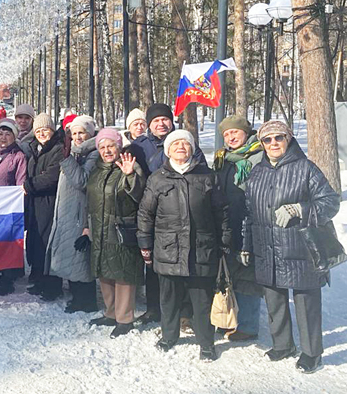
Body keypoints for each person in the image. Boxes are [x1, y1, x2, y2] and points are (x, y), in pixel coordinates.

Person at [242, 121, 339, 373]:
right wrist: (246, 245)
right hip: (266, 247)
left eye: (279, 138)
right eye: (267, 140)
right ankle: (283, 344)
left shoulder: (306, 168)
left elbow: (330, 202)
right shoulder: (257, 173)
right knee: (274, 299)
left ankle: (311, 352)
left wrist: (301, 209)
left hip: (301, 247)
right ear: (261, 144)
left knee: (306, 301)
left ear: (289, 139)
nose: (273, 143)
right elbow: (249, 213)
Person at [137, 129, 230, 361]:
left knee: (201, 300)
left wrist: (225, 242)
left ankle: (206, 343)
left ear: (192, 149)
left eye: (185, 144)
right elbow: (146, 214)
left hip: (201, 249)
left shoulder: (207, 176)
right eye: (175, 144)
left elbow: (222, 213)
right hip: (168, 249)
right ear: (167, 151)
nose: (181, 147)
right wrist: (145, 243)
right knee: (168, 298)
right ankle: (169, 336)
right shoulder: (157, 178)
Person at [130, 103, 207, 325]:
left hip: (181, 211)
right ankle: (155, 307)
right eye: (156, 121)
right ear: (149, 125)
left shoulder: (183, 142)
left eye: (165, 119)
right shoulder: (139, 146)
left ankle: (184, 311)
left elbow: (200, 171)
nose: (161, 124)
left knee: (182, 261)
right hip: (151, 209)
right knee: (154, 263)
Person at [86, 128, 146, 337]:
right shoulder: (97, 170)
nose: (106, 150)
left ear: (119, 146)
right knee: (104, 271)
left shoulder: (129, 165)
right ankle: (110, 312)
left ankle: (125, 318)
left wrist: (130, 176)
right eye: (102, 147)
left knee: (123, 275)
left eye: (110, 145)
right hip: (99, 228)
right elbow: (90, 199)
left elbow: (139, 195)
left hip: (121, 228)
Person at [212, 115, 264, 342]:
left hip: (251, 222)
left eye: (235, 132)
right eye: (226, 134)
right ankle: (230, 319)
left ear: (246, 133)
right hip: (227, 221)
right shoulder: (224, 159)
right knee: (230, 272)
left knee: (248, 274)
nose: (231, 137)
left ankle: (249, 325)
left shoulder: (259, 155)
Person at [44, 116, 99, 312]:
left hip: (80, 212)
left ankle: (86, 300)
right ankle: (78, 297)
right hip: (67, 210)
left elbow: (82, 180)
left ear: (90, 134)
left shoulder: (93, 154)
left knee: (80, 257)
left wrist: (66, 160)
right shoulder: (77, 153)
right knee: (71, 254)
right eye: (74, 133)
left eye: (81, 132)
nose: (77, 137)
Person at [23, 113, 65, 301]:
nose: (41, 133)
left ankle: (52, 286)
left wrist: (29, 185)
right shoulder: (37, 148)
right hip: (35, 202)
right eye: (38, 130)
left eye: (45, 130)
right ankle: (39, 279)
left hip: (50, 201)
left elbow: (52, 176)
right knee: (37, 241)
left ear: (52, 130)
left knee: (49, 243)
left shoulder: (57, 149)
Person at [0, 118, 28, 295]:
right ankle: (3, 273)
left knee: (9, 242)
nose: (3, 137)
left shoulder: (18, 156)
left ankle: (8, 279)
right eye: (1, 133)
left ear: (14, 136)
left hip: (8, 207)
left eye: (8, 134)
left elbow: (21, 182)